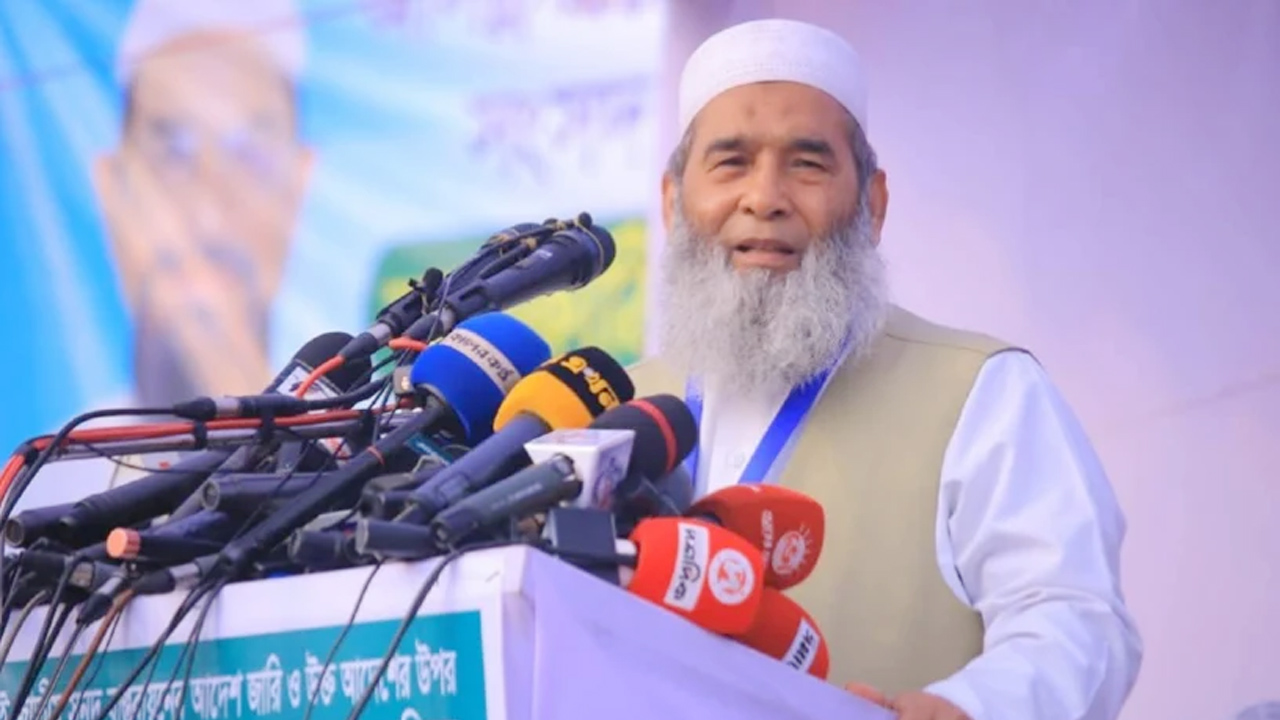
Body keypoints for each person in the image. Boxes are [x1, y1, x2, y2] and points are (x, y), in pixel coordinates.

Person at [627, 18, 1143, 720]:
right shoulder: (612, 413)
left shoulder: (980, 392)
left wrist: (966, 707)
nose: (765, 197)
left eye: (807, 164)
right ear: (672, 203)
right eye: (732, 163)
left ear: (872, 206)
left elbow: (1075, 618)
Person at [92, 0, 313, 408]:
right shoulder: (51, 451)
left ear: (300, 187)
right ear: (111, 188)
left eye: (250, 157)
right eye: (172, 154)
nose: (207, 218)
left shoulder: (374, 442)